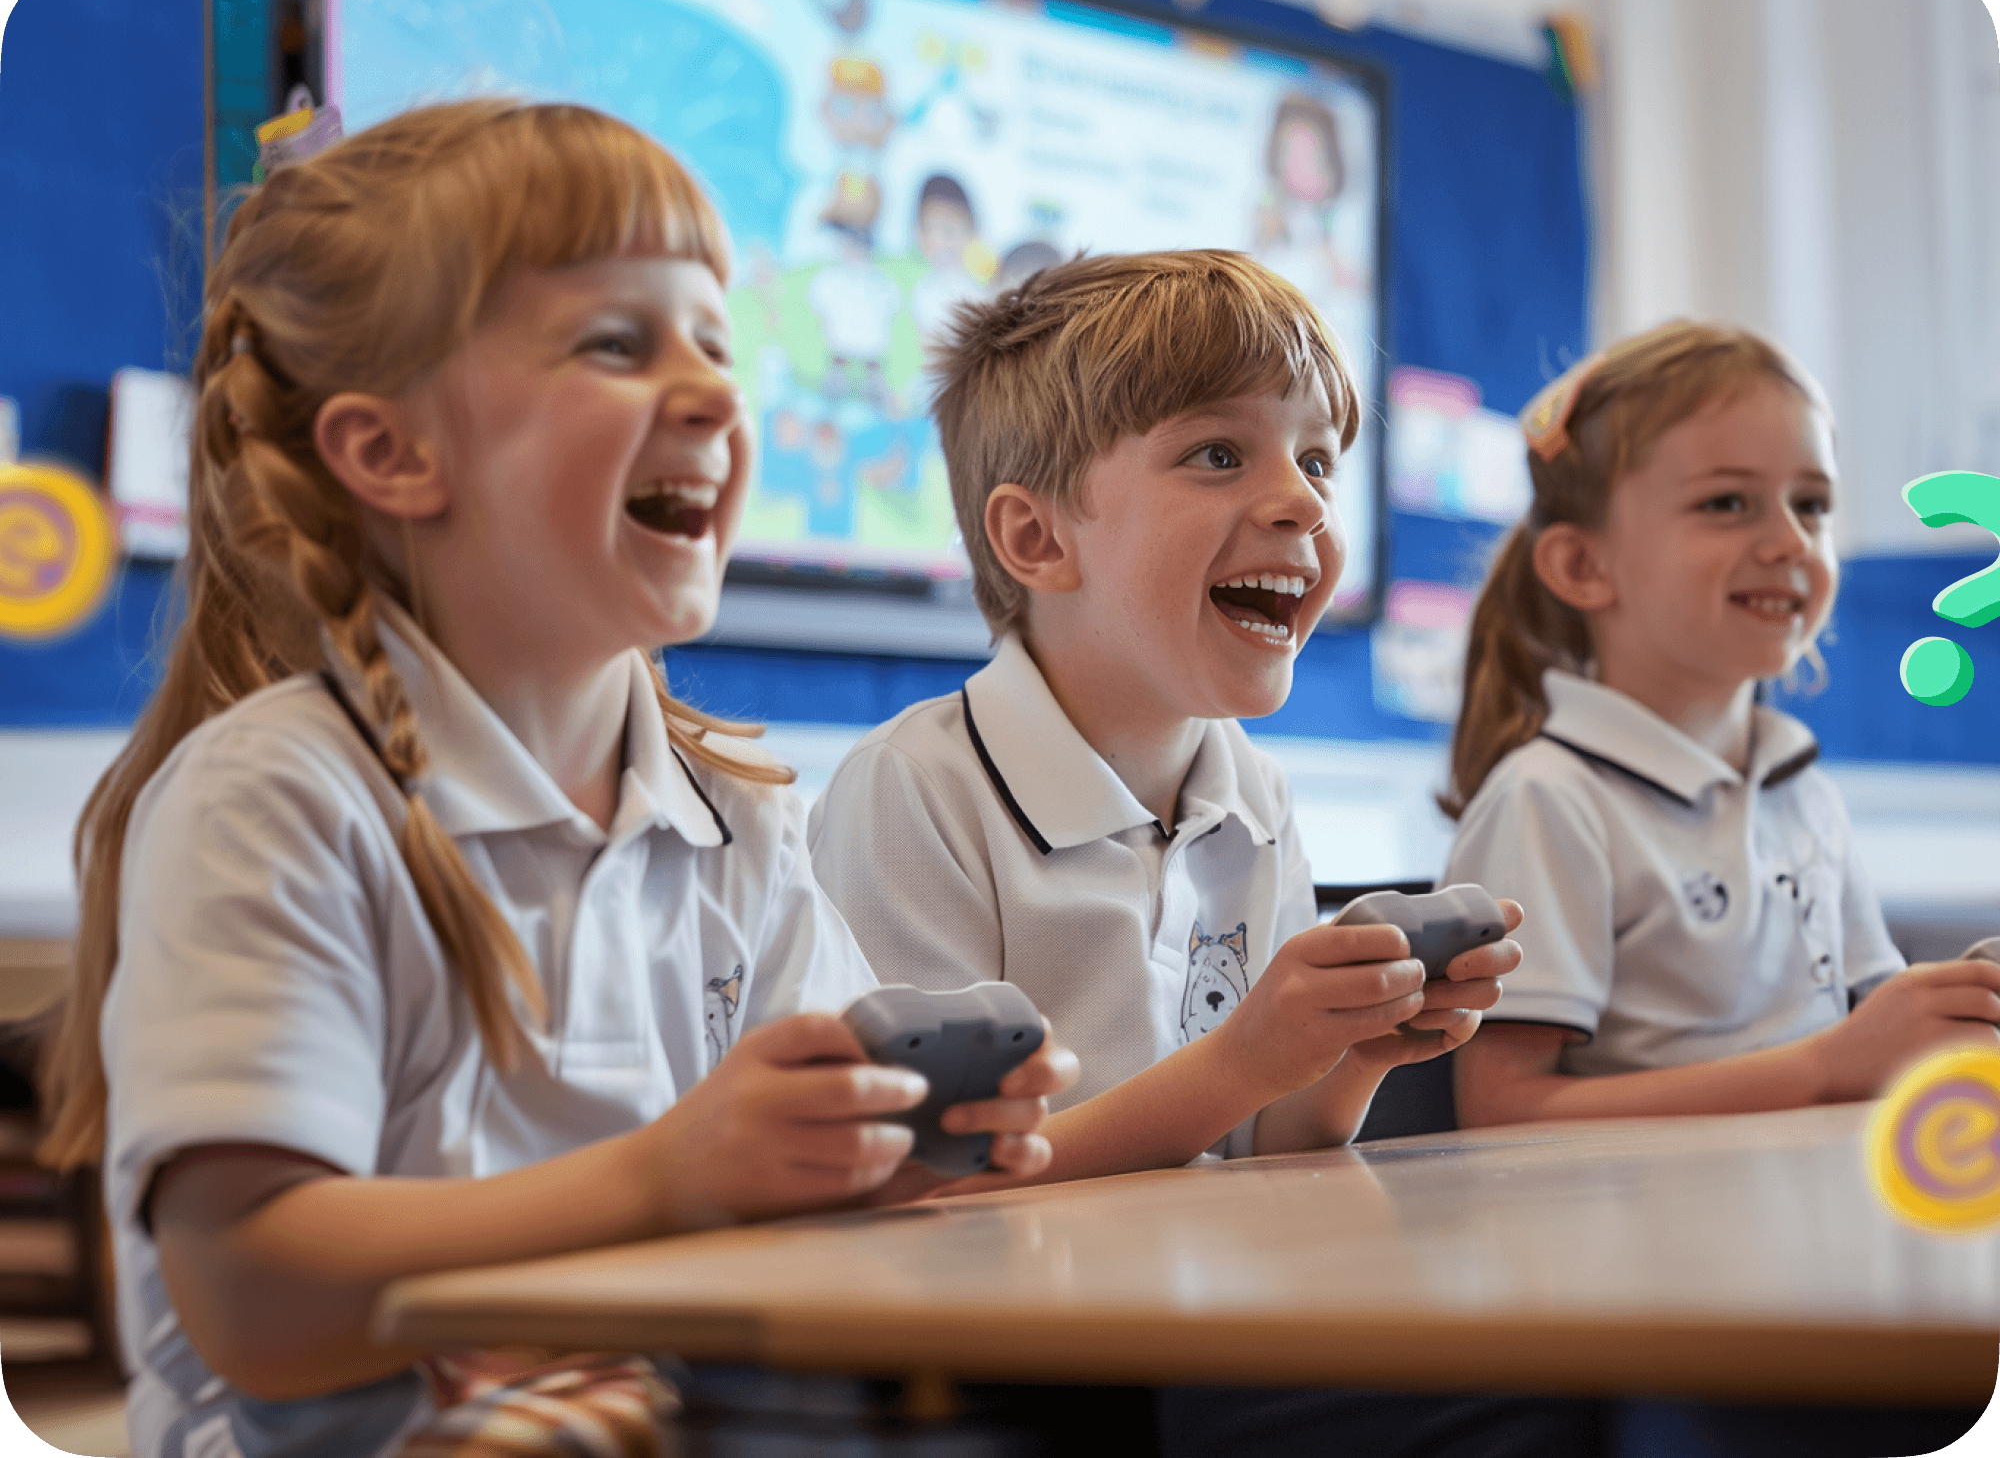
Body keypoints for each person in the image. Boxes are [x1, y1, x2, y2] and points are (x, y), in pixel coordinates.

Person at [34, 99, 1072, 1458]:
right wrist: (668, 1175)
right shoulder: (279, 794)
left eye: (714, 338)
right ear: (391, 452)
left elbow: (760, 1216)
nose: (714, 390)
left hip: (682, 1406)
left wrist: (878, 1159)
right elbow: (251, 1295)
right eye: (614, 344)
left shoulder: (740, 824)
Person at [809, 249, 1521, 1182]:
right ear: (1037, 538)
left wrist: (1356, 1051)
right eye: (1218, 455)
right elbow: (927, 1180)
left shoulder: (1254, 794)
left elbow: (1264, 1140)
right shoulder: (916, 792)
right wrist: (1240, 1064)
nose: (1305, 502)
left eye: (1317, 461)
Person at [1440, 321, 2000, 1128]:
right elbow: (1502, 1114)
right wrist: (1827, 1067)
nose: (1789, 541)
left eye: (1812, 505)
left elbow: (1875, 1039)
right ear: (1582, 567)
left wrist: (1954, 1018)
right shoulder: (1549, 800)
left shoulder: (1803, 790)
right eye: (1727, 503)